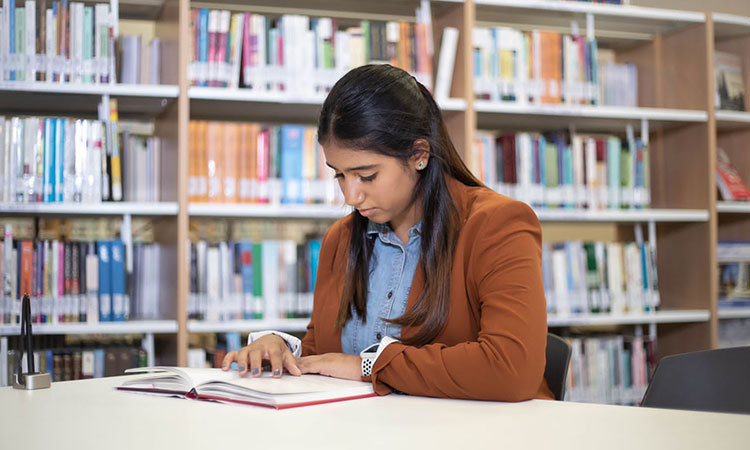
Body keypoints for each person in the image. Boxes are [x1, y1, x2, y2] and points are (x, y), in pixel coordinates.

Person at [222, 64, 553, 401]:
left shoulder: (497, 225)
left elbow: (511, 369)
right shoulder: (341, 239)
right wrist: (280, 351)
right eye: (339, 175)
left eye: (367, 176)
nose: (351, 196)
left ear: (419, 155)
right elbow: (325, 355)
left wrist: (369, 367)